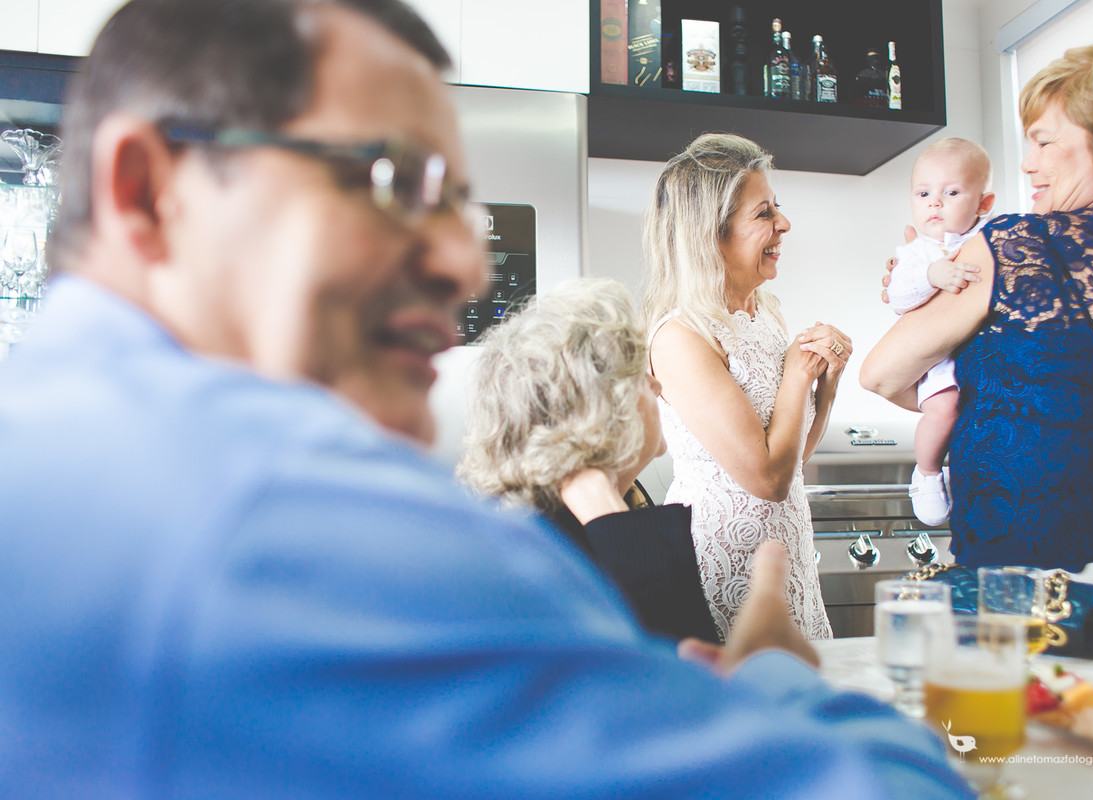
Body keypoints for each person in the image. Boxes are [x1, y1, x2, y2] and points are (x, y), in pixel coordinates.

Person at [0, 0, 974, 796]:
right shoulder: (310, 526)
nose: (467, 265)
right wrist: (774, 681)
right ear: (148, 190)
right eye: (392, 181)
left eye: (455, 202)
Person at [861, 42, 1093, 635]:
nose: (1027, 163)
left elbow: (882, 373)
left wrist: (971, 401)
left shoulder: (1020, 246)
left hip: (1023, 570)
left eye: (1044, 142)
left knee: (1010, 701)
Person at [642, 133, 850, 641]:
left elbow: (792, 460)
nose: (784, 223)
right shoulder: (681, 336)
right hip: (724, 564)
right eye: (764, 213)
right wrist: (798, 375)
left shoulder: (766, 314)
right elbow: (767, 479)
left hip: (787, 550)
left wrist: (828, 381)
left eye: (777, 207)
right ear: (711, 235)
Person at [457, 278, 720, 643]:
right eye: (639, 375)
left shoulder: (622, 498)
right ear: (601, 407)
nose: (657, 386)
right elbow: (683, 660)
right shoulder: (549, 552)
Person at [887, 137, 996, 525]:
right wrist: (931, 275)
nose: (934, 203)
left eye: (951, 192)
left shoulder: (990, 238)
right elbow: (898, 296)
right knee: (944, 408)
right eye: (923, 193)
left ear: (984, 204)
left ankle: (955, 469)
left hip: (985, 357)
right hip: (941, 361)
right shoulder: (918, 252)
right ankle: (928, 472)